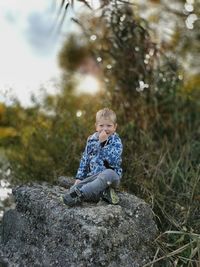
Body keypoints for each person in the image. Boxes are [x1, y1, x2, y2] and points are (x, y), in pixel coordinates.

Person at [62, 107, 123, 207]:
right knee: (75, 187)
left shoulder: (116, 141)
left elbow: (113, 161)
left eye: (109, 125)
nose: (105, 129)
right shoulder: (91, 140)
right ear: (96, 126)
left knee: (107, 174)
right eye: (101, 125)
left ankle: (81, 194)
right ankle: (103, 194)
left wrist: (103, 143)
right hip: (93, 177)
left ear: (115, 127)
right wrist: (80, 177)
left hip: (111, 177)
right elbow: (85, 159)